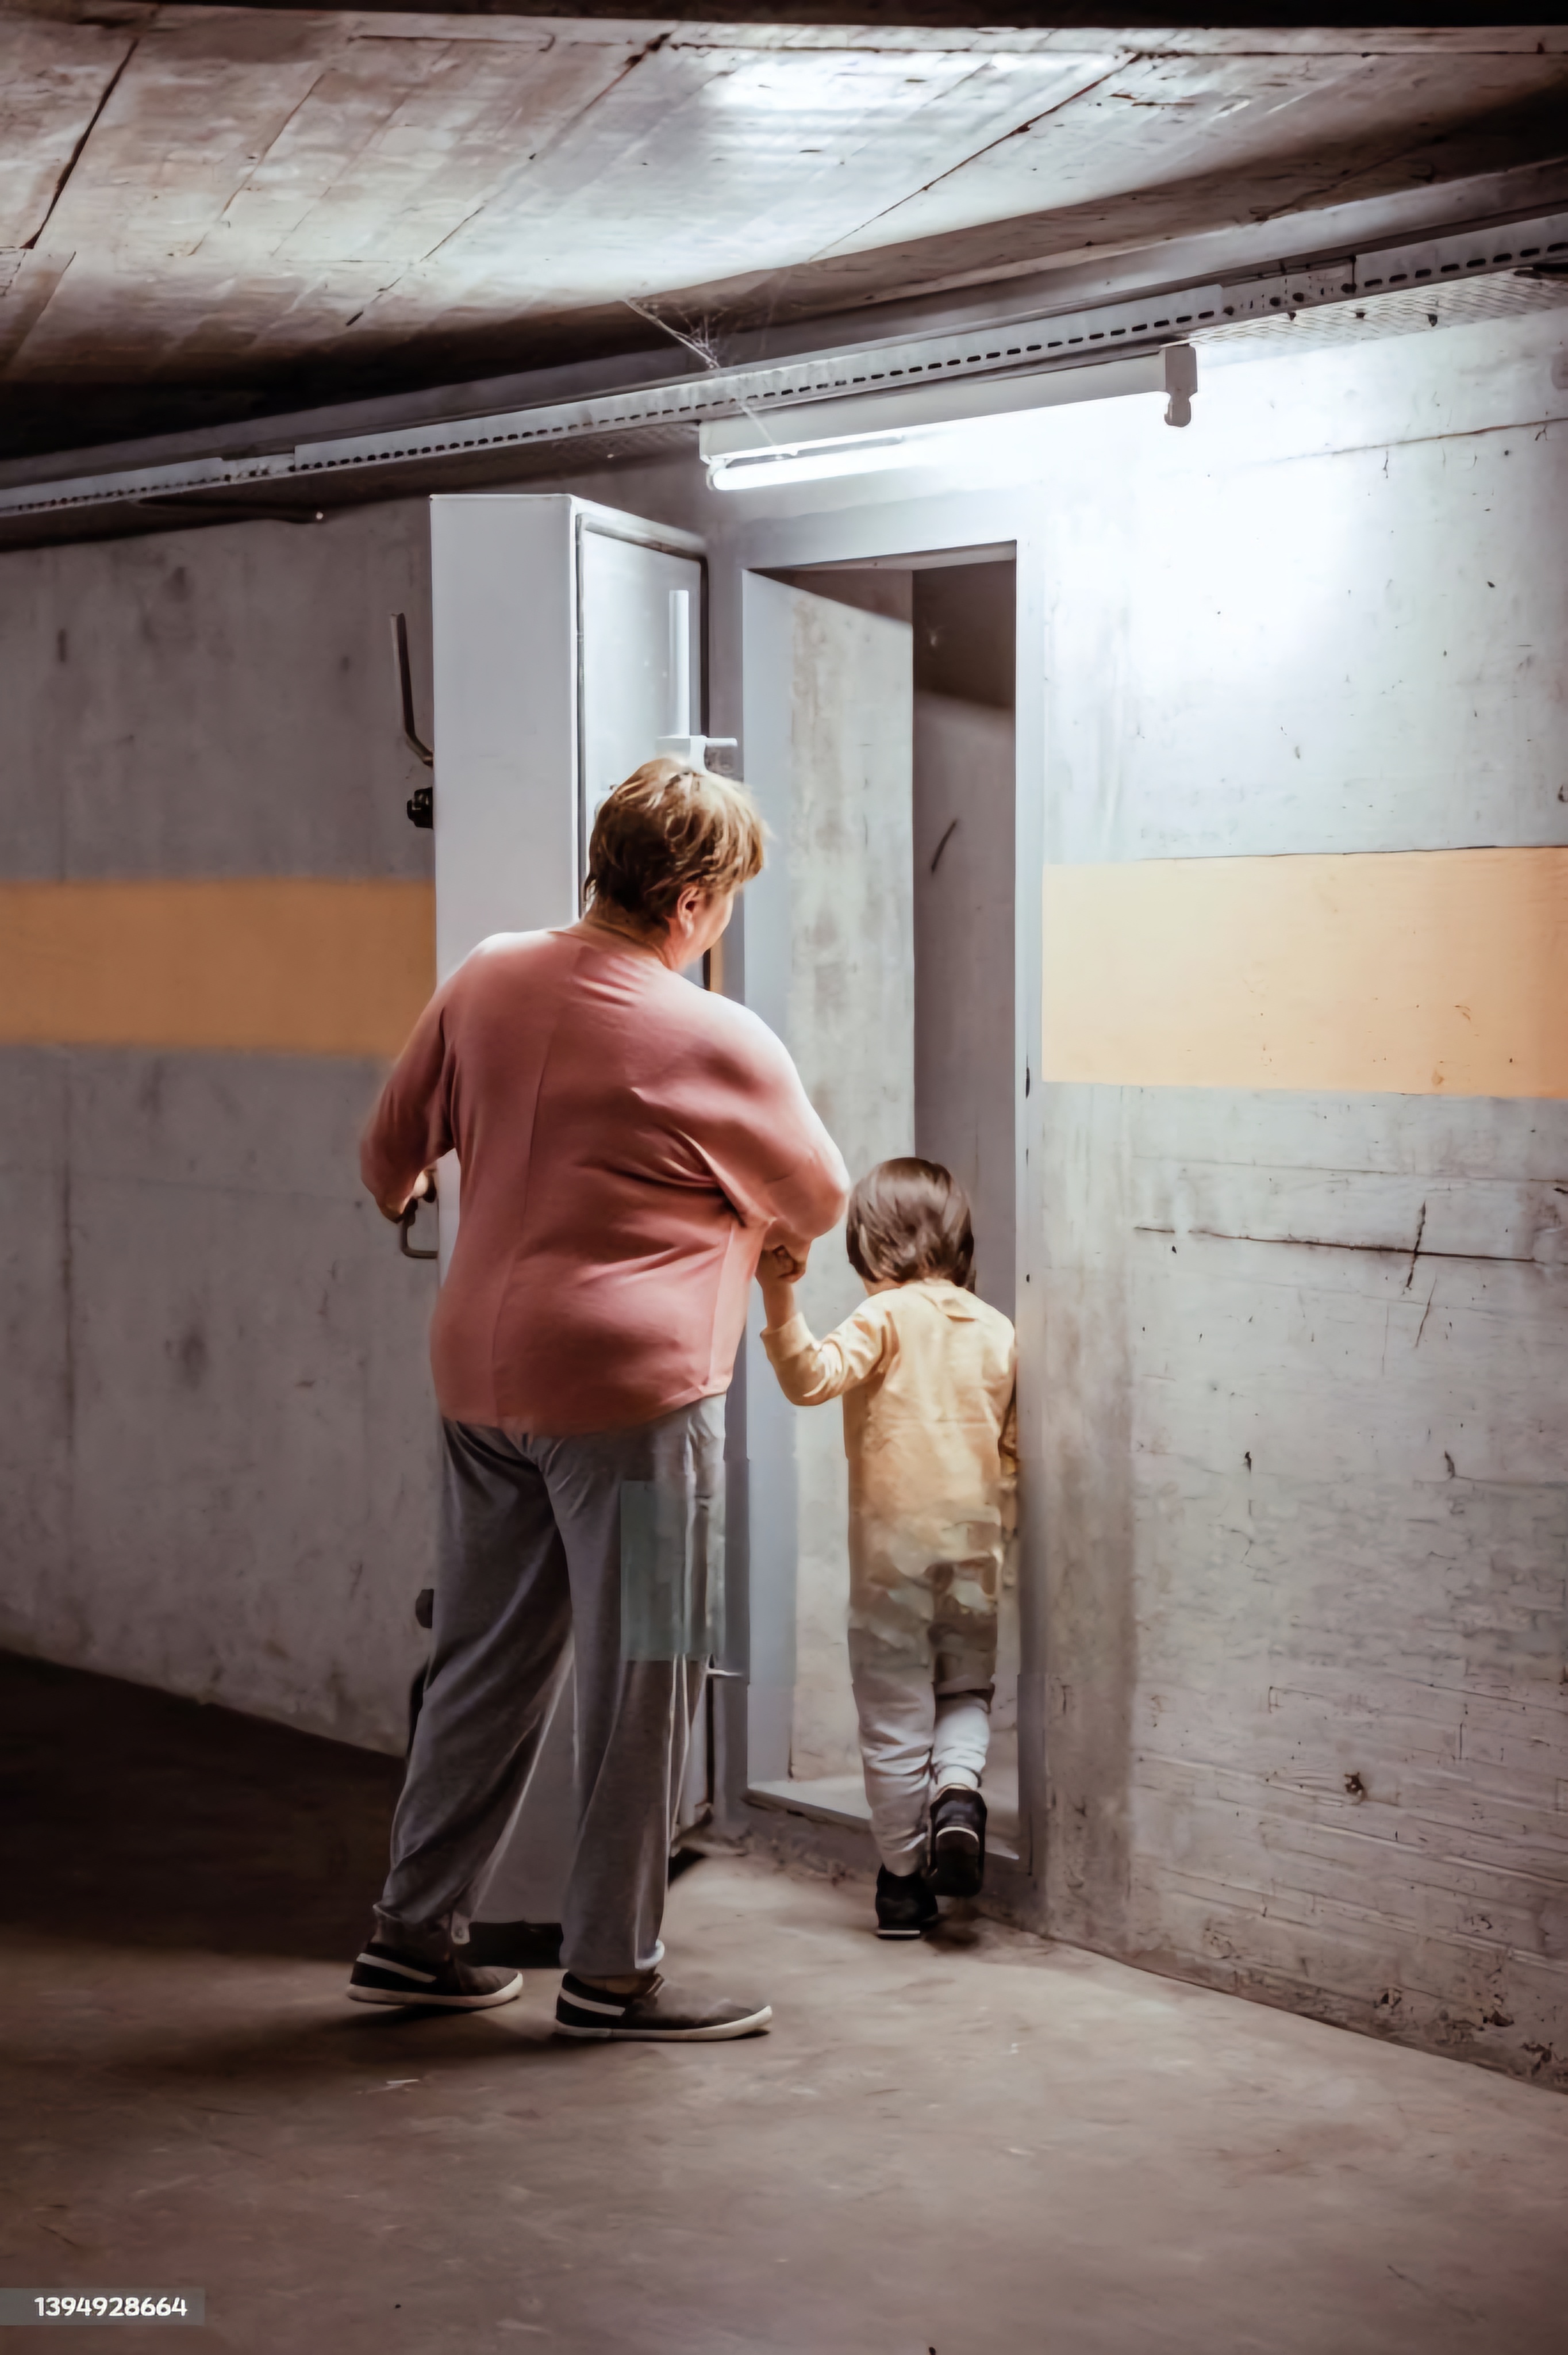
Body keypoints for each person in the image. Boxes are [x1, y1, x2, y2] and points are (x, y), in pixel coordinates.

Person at [349, 757, 849, 2038]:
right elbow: (821, 1202)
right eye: (725, 894)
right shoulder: (711, 1034)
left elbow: (384, 1160)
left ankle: (412, 1932)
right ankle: (612, 1970)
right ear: (687, 897)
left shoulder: (488, 976)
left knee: (481, 1658)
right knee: (649, 1670)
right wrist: (724, 1218)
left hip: (477, 1379)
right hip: (640, 1403)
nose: (721, 918)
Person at [758, 1159, 1017, 1939]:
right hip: (975, 1553)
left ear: (869, 1244)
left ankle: (904, 1884)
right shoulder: (999, 1330)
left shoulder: (885, 1318)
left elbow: (810, 1378)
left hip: (890, 1565)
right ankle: (960, 1793)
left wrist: (778, 1291)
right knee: (965, 1693)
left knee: (895, 1719)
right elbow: (1014, 1454)